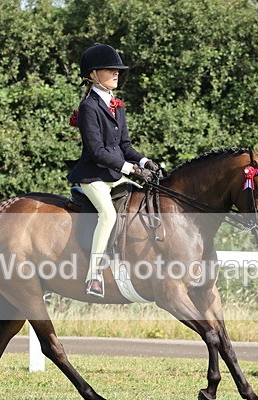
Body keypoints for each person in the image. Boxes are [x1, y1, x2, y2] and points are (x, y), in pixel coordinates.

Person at [67, 43, 159, 298]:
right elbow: (97, 151)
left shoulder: (117, 105)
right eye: (110, 70)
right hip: (93, 176)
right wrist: (130, 168)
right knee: (107, 214)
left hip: (115, 176)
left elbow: (125, 146)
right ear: (94, 75)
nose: (116, 73)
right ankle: (94, 276)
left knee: (144, 202)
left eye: (117, 70)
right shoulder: (89, 107)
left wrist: (144, 162)